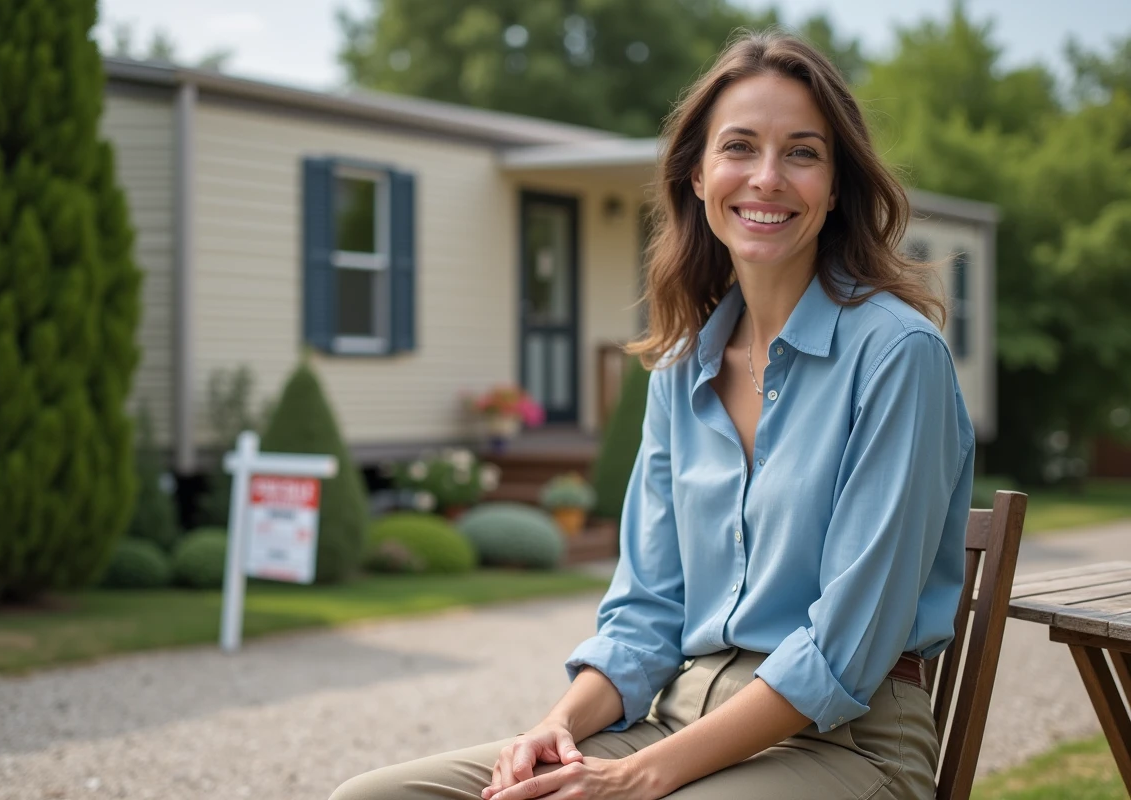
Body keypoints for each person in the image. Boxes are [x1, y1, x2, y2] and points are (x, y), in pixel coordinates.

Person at [332, 28, 974, 800]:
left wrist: (635, 778)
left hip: (847, 743)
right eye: (739, 147)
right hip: (677, 717)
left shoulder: (896, 354)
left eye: (802, 152)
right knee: (374, 798)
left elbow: (844, 648)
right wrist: (558, 727)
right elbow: (646, 613)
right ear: (698, 176)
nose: (767, 178)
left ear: (835, 186)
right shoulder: (681, 371)